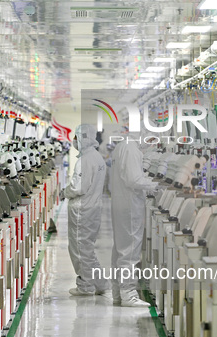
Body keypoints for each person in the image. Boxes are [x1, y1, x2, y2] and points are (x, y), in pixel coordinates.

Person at [110, 135, 158, 307]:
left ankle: (118, 292)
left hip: (121, 203)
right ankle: (128, 294)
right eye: (151, 140)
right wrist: (156, 186)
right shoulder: (131, 148)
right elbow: (133, 179)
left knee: (120, 250)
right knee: (129, 251)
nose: (151, 144)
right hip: (129, 205)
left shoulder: (124, 146)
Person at [64, 124, 111, 296]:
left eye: (76, 137)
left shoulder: (85, 161)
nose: (74, 141)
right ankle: (100, 283)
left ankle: (86, 285)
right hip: (93, 209)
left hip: (82, 211)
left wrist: (65, 192)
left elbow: (78, 188)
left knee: (80, 249)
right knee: (87, 248)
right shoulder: (97, 158)